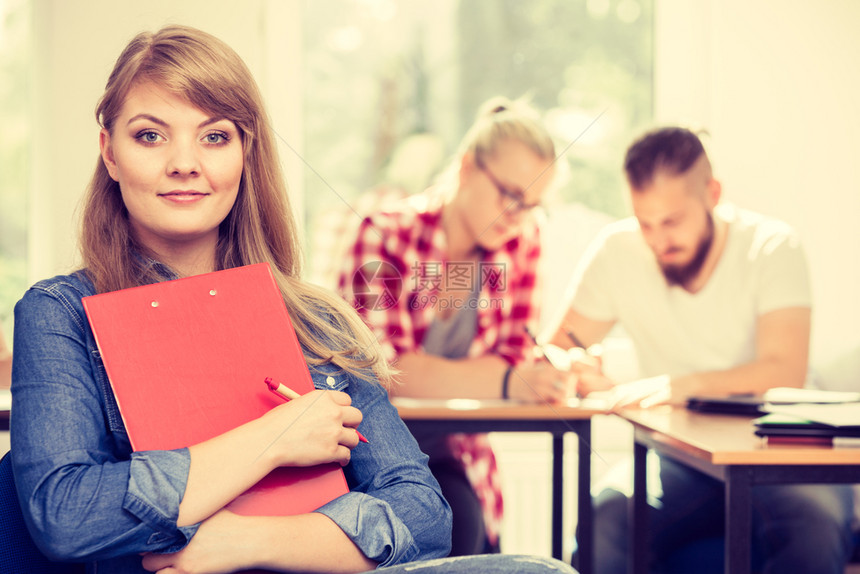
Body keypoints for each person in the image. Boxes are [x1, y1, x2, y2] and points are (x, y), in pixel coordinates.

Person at [8, 25, 458, 574]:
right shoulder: (60, 312)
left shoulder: (314, 321)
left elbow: (426, 517)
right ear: (109, 152)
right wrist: (274, 438)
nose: (184, 163)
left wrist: (245, 542)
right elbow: (67, 516)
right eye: (150, 135)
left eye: (214, 136)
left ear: (245, 152)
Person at [551, 127, 855, 573]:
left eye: (671, 221)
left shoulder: (771, 246)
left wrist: (680, 386)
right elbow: (555, 347)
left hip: (779, 454)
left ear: (712, 193)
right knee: (606, 519)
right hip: (677, 458)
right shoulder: (617, 250)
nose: (657, 240)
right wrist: (572, 366)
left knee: (813, 525)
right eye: (644, 222)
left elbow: (784, 369)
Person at [337, 97, 573, 556]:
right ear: (467, 167)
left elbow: (516, 356)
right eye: (510, 195)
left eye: (532, 206)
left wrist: (521, 374)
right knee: (439, 532)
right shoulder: (382, 234)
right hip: (374, 450)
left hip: (457, 454)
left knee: (466, 529)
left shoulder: (522, 243)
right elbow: (382, 374)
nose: (518, 216)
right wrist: (507, 380)